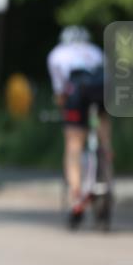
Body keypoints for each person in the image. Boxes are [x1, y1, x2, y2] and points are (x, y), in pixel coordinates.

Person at [46, 25, 111, 228]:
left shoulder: (57, 54)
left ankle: (76, 194)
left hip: (78, 96)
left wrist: (63, 109)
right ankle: (108, 165)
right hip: (101, 96)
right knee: (104, 138)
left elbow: (60, 92)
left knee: (74, 145)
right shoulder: (96, 51)